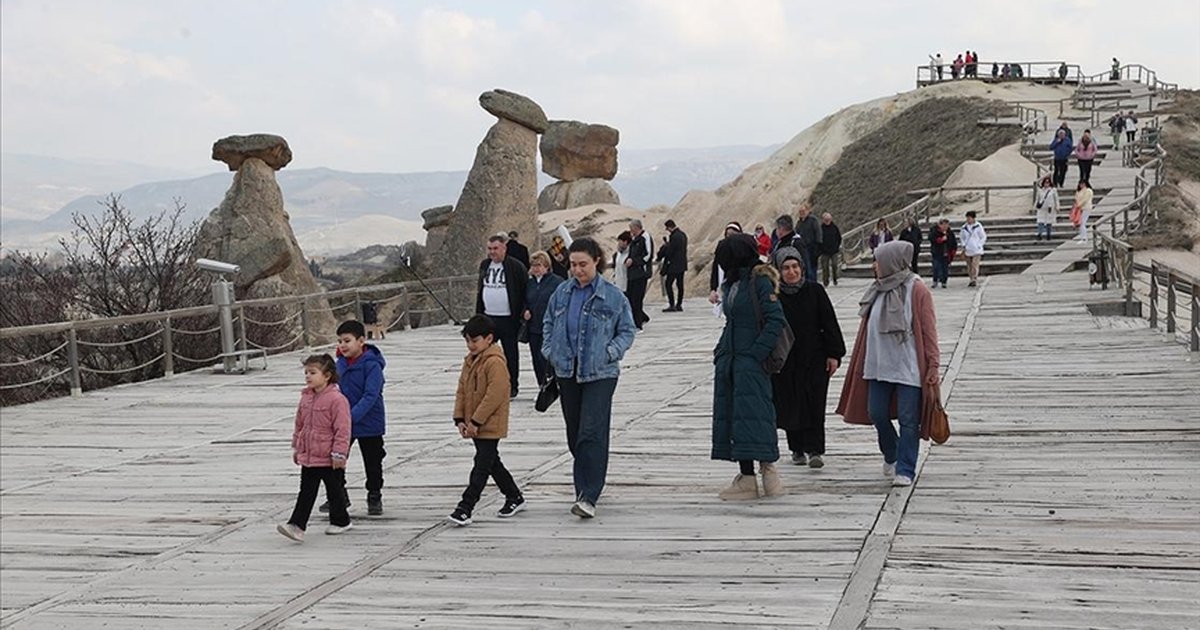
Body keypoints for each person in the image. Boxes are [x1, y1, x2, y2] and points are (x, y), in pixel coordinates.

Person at [541, 237, 637, 519]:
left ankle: (589, 494)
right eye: (572, 265)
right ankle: (584, 485)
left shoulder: (613, 295)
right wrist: (550, 350)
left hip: (600, 372)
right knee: (574, 433)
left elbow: (627, 330)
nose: (577, 270)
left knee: (591, 431)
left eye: (583, 264)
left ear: (597, 260)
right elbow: (548, 321)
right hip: (567, 371)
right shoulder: (561, 293)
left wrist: (612, 351)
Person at [836, 241, 941, 487]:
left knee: (908, 418)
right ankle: (892, 452)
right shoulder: (877, 289)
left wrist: (933, 364)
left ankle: (905, 468)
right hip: (877, 365)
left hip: (908, 366)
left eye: (878, 260)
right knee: (877, 413)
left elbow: (928, 329)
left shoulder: (917, 290)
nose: (875, 265)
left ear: (892, 261)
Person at [711, 233, 787, 500]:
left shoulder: (761, 280)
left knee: (757, 414)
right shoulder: (732, 282)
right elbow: (731, 320)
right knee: (736, 418)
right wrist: (720, 352)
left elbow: (775, 320)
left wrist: (756, 353)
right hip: (730, 360)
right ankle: (746, 478)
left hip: (750, 361)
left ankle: (769, 471)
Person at [447, 315, 525, 527]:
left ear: (489, 339)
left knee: (481, 465)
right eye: (468, 341)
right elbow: (462, 391)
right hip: (473, 423)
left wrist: (477, 421)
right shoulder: (470, 361)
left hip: (490, 424)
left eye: (475, 340)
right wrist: (460, 419)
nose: (471, 345)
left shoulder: (495, 363)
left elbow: (495, 396)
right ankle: (514, 495)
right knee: (492, 463)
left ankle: (466, 507)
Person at [771, 247, 845, 469]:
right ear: (779, 271)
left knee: (815, 402)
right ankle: (797, 448)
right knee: (791, 403)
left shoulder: (815, 291)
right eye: (785, 268)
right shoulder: (774, 295)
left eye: (795, 267)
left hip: (815, 357)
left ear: (802, 268)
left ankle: (815, 449)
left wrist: (834, 354)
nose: (791, 272)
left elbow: (829, 323)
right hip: (786, 360)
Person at [278, 354, 353, 542]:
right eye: (306, 373)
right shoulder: (306, 398)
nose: (308, 377)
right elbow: (300, 424)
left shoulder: (337, 400)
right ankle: (297, 525)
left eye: (312, 372)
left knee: (334, 490)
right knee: (306, 491)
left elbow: (343, 429)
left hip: (329, 456)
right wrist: (298, 446)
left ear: (327, 375)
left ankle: (341, 521)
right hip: (310, 455)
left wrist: (339, 453)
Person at [321, 321, 387, 516]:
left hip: (370, 422)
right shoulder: (338, 364)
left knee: (373, 462)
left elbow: (371, 395)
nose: (343, 345)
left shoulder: (372, 364)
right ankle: (338, 494)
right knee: (335, 459)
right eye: (340, 341)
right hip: (343, 423)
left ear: (361, 341)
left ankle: (374, 495)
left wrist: (351, 416)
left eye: (347, 341)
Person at [476, 234, 528, 398]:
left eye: (495, 248)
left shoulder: (516, 266)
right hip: (488, 317)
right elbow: (480, 290)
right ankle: (486, 384)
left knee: (510, 353)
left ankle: (512, 385)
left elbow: (525, 290)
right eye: (490, 249)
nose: (492, 252)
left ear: (504, 248)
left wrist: (523, 311)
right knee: (484, 352)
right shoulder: (485, 265)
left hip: (508, 318)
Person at [524, 251, 563, 388]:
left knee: (548, 357)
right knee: (536, 357)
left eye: (539, 265)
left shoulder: (557, 282)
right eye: (533, 265)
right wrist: (525, 311)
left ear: (546, 266)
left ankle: (555, 383)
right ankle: (542, 385)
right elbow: (524, 301)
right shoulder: (529, 283)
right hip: (534, 326)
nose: (536, 268)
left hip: (551, 327)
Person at [625, 219, 653, 330]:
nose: (630, 231)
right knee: (631, 298)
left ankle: (638, 323)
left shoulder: (645, 237)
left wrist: (635, 261)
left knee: (637, 299)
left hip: (641, 273)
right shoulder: (634, 239)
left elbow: (648, 255)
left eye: (631, 228)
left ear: (637, 227)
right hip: (632, 274)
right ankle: (640, 318)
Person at [710, 222, 743, 305]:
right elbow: (716, 268)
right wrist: (713, 289)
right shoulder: (722, 247)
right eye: (728, 235)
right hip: (727, 284)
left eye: (733, 235)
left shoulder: (745, 249)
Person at [661, 219, 688, 312]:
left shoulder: (674, 236)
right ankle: (679, 304)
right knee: (680, 285)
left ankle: (672, 304)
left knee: (668, 284)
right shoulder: (683, 235)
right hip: (682, 264)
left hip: (673, 265)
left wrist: (666, 248)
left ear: (669, 227)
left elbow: (670, 251)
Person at [794, 203, 822, 283]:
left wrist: (818, 247)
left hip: (812, 248)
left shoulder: (813, 220)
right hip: (802, 248)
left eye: (803, 211)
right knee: (805, 268)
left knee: (812, 269)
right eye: (800, 211)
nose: (802, 213)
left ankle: (813, 285)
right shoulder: (799, 223)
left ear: (808, 211)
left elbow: (818, 233)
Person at [959, 211, 987, 288]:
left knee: (975, 265)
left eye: (969, 218)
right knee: (969, 266)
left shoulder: (978, 226)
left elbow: (983, 236)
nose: (968, 219)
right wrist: (963, 245)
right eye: (967, 218)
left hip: (976, 249)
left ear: (973, 218)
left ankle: (974, 279)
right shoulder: (964, 227)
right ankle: (971, 278)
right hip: (968, 249)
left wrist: (979, 245)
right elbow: (962, 237)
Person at [927, 218, 956, 289]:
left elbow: (953, 242)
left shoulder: (950, 232)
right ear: (940, 225)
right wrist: (940, 240)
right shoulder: (934, 231)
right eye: (944, 225)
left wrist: (953, 251)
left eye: (947, 225)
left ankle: (944, 281)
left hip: (946, 253)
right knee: (936, 267)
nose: (945, 226)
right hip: (937, 252)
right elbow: (931, 238)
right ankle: (935, 280)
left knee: (945, 268)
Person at [819, 212, 843, 287]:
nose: (827, 221)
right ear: (823, 220)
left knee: (834, 265)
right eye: (826, 219)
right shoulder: (820, 228)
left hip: (834, 251)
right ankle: (826, 281)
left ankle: (835, 278)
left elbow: (839, 237)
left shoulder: (834, 227)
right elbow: (818, 239)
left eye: (828, 219)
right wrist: (821, 248)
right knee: (825, 267)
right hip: (824, 251)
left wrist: (837, 246)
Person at [1035, 176, 1059, 242]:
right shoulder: (1040, 190)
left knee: (1049, 222)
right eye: (1045, 182)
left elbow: (1056, 199)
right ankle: (1040, 234)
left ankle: (1049, 234)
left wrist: (1057, 207)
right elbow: (1037, 199)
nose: (1046, 184)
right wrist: (1035, 207)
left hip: (1050, 208)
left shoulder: (1053, 190)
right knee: (1040, 221)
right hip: (1042, 208)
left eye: (1048, 183)